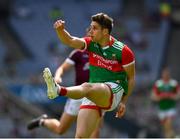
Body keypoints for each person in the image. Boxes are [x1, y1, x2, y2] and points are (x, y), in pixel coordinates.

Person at [43, 12, 135, 138]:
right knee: (80, 137)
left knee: (87, 87)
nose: (90, 31)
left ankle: (58, 90)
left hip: (114, 90)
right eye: (90, 27)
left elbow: (131, 78)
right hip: (94, 93)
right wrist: (60, 30)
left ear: (105, 31)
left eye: (95, 28)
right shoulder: (91, 43)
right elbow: (70, 40)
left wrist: (123, 102)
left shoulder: (123, 51)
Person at [27, 45, 101, 137]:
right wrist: (57, 77)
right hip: (78, 93)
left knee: (95, 131)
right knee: (60, 129)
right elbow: (62, 68)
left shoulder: (104, 53)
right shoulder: (78, 53)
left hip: (94, 95)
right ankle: (42, 122)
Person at [151, 67, 180, 138]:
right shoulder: (158, 84)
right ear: (162, 74)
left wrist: (170, 96)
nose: (166, 75)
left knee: (168, 123)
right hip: (161, 109)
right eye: (164, 74)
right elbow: (153, 97)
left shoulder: (174, 83)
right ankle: (174, 137)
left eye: (167, 74)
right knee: (166, 129)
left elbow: (178, 95)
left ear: (169, 74)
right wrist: (162, 96)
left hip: (171, 108)